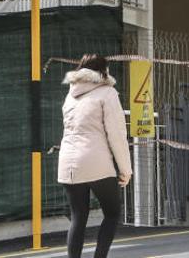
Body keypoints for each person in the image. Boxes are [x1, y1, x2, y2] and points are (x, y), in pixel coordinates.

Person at [58, 54, 133, 258]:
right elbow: (117, 135)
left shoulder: (70, 94)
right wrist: (125, 170)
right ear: (103, 72)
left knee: (78, 216)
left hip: (68, 164)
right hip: (96, 162)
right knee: (112, 213)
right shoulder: (107, 93)